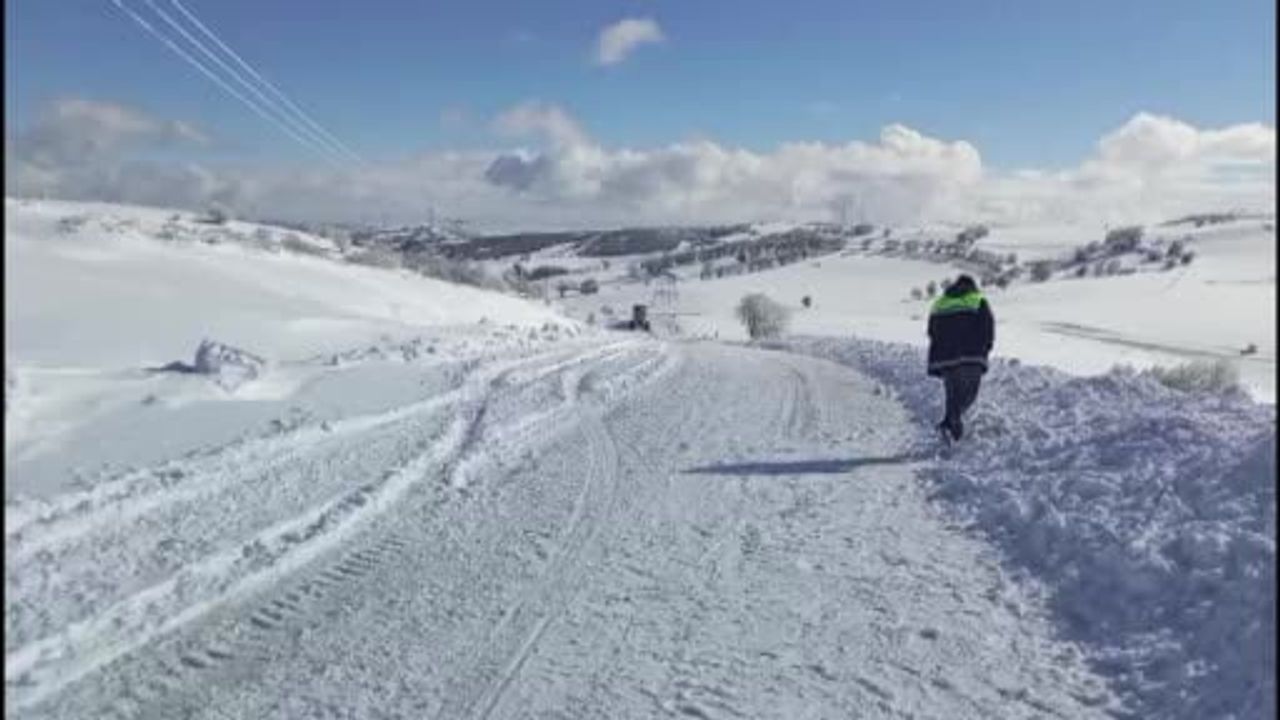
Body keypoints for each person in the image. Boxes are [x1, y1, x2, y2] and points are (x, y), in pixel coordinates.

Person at [926, 275, 994, 442]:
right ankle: (952, 423)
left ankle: (949, 428)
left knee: (953, 394)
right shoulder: (977, 300)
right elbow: (987, 326)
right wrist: (985, 347)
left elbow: (931, 330)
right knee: (969, 394)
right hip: (972, 356)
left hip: (946, 359)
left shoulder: (940, 303)